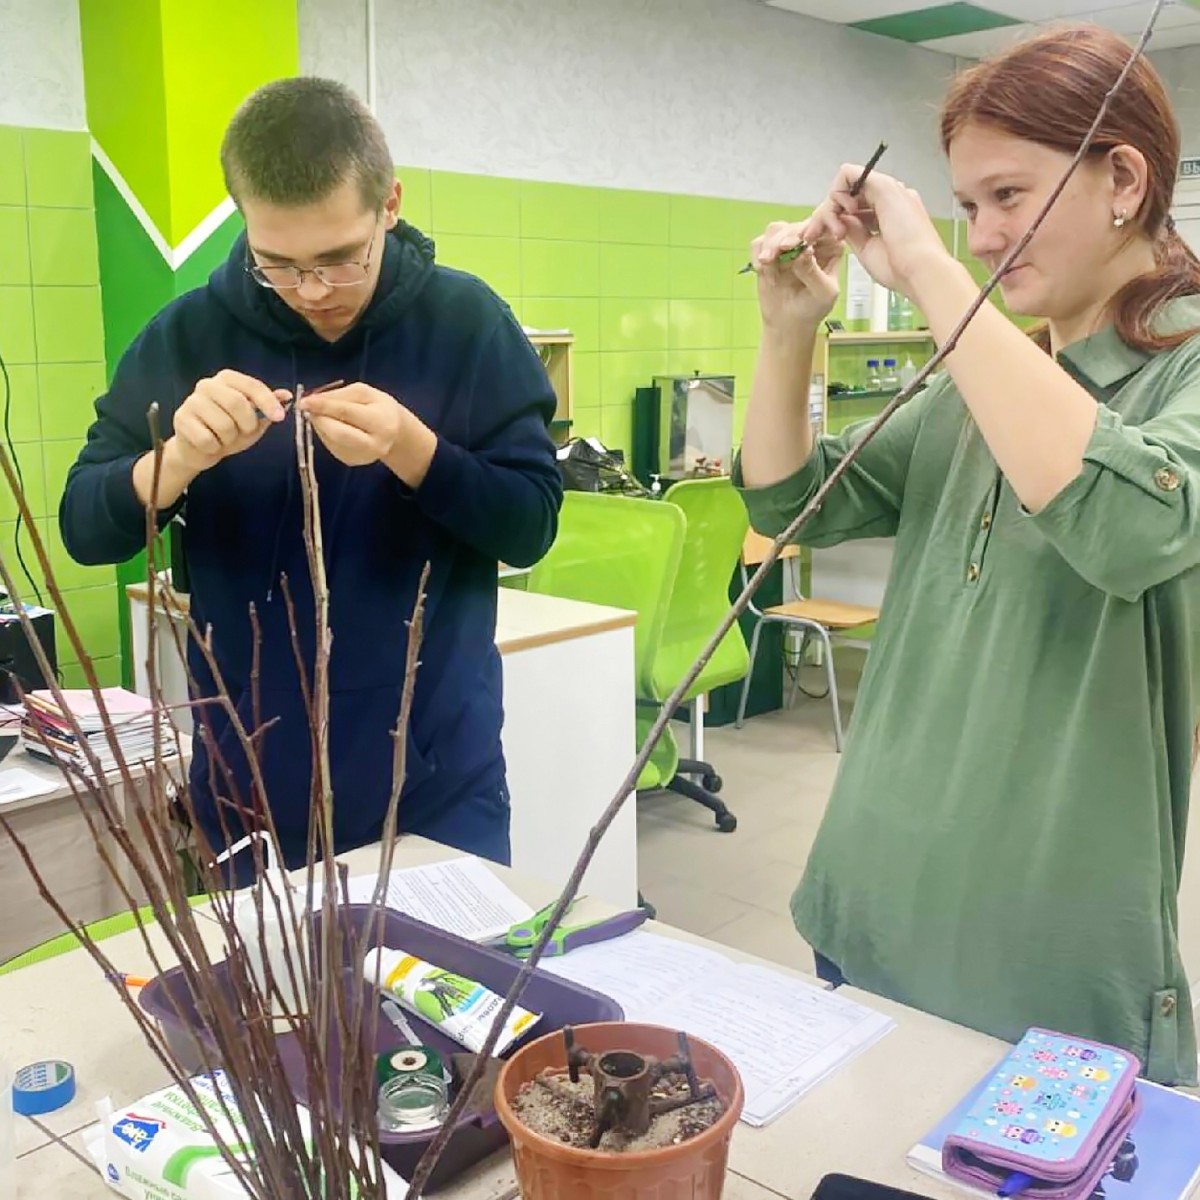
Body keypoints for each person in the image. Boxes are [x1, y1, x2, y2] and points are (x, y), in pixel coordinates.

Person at [736, 25, 1200, 1085]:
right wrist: (788, 330)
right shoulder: (976, 381)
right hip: (866, 906)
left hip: (1043, 959)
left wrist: (934, 276)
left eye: (1007, 196)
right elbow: (788, 505)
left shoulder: (1181, 371)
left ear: (1123, 177)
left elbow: (1125, 527)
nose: (983, 234)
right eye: (965, 207)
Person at [60, 78, 562, 874]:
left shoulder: (469, 325)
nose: (313, 293)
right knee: (270, 1000)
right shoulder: (188, 334)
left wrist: (412, 449)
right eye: (278, 266)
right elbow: (84, 528)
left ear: (389, 204)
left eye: (339, 258)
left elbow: (531, 523)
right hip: (250, 783)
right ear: (243, 223)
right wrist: (177, 459)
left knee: (442, 995)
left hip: (433, 780)